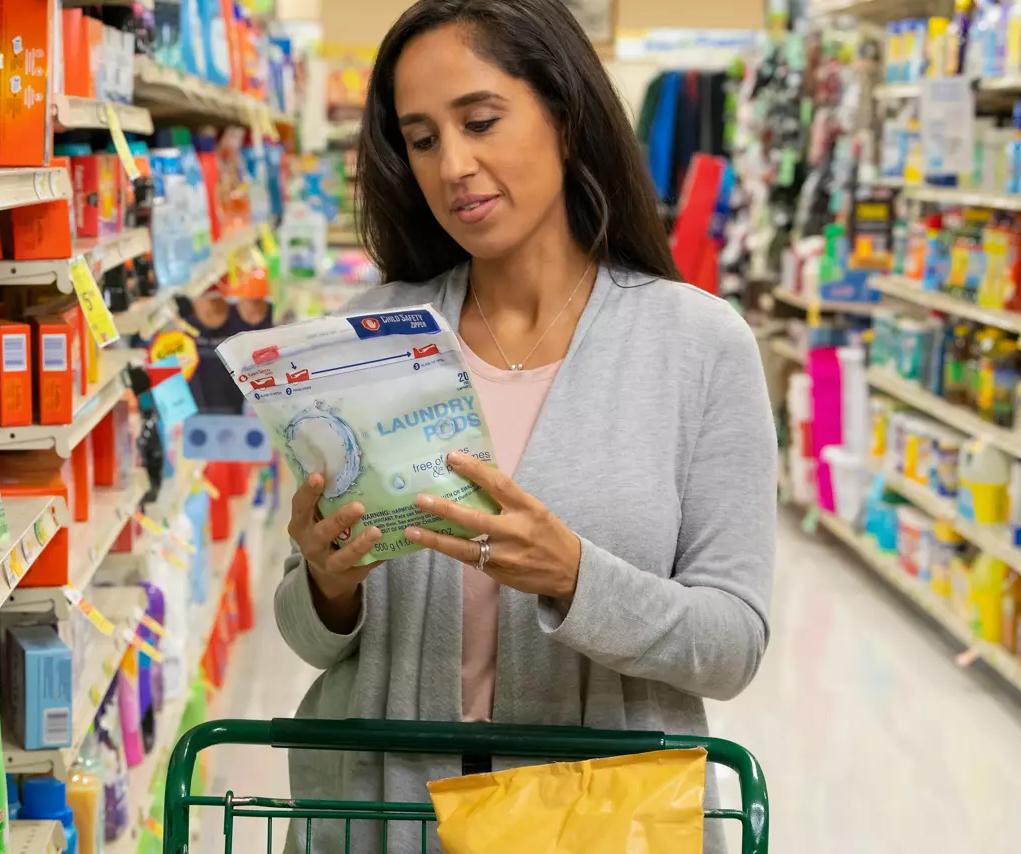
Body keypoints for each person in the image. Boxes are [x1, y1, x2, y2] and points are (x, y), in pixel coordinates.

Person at [274, 1, 775, 850]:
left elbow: (732, 646)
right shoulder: (372, 336)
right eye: (423, 138)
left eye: (481, 121)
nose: (453, 166)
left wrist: (576, 577)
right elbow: (306, 637)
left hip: (599, 821)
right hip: (382, 811)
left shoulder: (696, 344)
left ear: (567, 119)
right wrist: (328, 584)